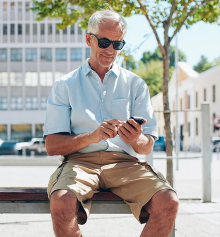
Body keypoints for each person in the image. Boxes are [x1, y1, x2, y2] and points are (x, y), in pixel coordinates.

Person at [43, 10, 178, 237]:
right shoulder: (64, 85)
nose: (110, 50)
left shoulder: (135, 84)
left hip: (124, 163)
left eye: (117, 44)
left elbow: (146, 147)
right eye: (104, 42)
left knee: (168, 200)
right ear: (89, 39)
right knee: (61, 201)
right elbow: (52, 146)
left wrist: (136, 138)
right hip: (79, 162)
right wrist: (91, 137)